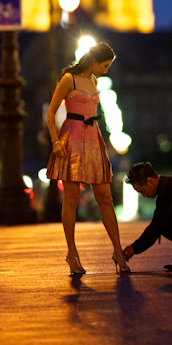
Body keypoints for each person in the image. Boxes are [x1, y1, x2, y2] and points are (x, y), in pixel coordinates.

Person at [46, 42, 130, 275]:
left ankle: (117, 251)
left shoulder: (94, 81)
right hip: (71, 138)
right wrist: (55, 142)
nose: (106, 70)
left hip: (93, 138)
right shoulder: (68, 80)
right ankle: (72, 253)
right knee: (71, 197)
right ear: (94, 61)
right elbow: (51, 112)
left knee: (105, 196)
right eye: (105, 65)